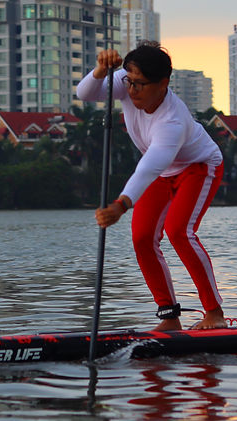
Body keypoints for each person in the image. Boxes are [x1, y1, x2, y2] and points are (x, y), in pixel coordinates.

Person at [76, 41, 226, 331]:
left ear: (163, 84)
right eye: (129, 82)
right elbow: (86, 93)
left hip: (198, 166)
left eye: (140, 85)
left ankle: (214, 313)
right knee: (142, 237)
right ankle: (170, 316)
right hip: (161, 172)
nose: (131, 92)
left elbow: (150, 165)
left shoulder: (172, 120)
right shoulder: (128, 82)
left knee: (179, 231)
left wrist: (121, 204)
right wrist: (100, 70)